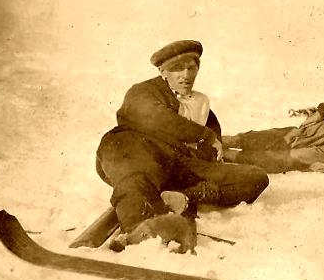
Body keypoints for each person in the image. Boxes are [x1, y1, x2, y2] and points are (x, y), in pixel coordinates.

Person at [95, 40, 269, 253]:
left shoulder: (200, 104)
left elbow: (214, 147)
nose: (185, 75)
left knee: (255, 178)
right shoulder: (142, 92)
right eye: (177, 68)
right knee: (137, 173)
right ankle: (138, 227)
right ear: (163, 71)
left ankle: (182, 197)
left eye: (191, 68)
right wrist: (203, 135)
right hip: (136, 150)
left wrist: (209, 151)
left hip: (180, 163)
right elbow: (158, 119)